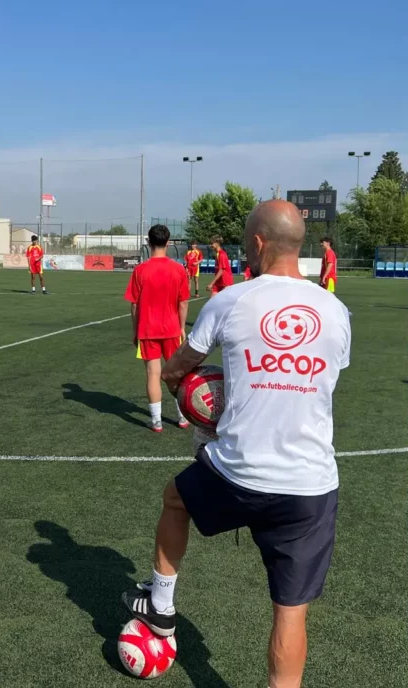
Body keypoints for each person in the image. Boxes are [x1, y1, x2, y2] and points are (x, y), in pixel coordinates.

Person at [122, 200, 351, 688]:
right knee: (290, 614)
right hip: (309, 484)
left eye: (248, 237)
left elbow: (179, 368)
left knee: (175, 498)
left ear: (260, 243)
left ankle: (160, 605)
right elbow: (325, 381)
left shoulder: (231, 300)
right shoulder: (336, 311)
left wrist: (201, 405)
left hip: (239, 471)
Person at [124, 224, 191, 433]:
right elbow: (183, 302)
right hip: (171, 329)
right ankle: (182, 418)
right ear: (168, 243)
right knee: (176, 375)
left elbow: (133, 305)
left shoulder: (140, 270)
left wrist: (135, 331)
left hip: (147, 330)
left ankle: (156, 422)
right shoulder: (178, 269)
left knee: (153, 374)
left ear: (148, 242)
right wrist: (181, 327)